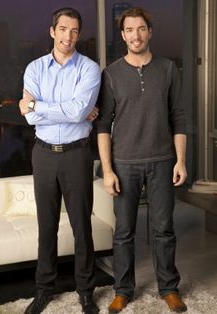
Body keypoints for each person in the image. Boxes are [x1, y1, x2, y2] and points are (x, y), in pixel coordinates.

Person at [97, 7, 187, 314]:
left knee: (164, 228)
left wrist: (181, 161)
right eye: (129, 30)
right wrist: (107, 170)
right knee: (123, 232)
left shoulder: (168, 69)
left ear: (150, 32)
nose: (136, 35)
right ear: (123, 36)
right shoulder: (110, 74)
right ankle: (123, 290)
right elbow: (103, 126)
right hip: (124, 164)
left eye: (141, 29)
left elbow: (178, 117)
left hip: (163, 161)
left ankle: (169, 288)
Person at [19, 7, 101, 314]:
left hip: (77, 154)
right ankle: (44, 290)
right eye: (63, 29)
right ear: (52, 31)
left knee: (82, 226)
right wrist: (58, 108)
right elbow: (30, 118)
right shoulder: (35, 68)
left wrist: (37, 104)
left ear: (79, 34)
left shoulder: (90, 69)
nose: (68, 36)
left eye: (75, 31)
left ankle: (86, 292)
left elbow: (79, 112)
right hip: (43, 154)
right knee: (46, 226)